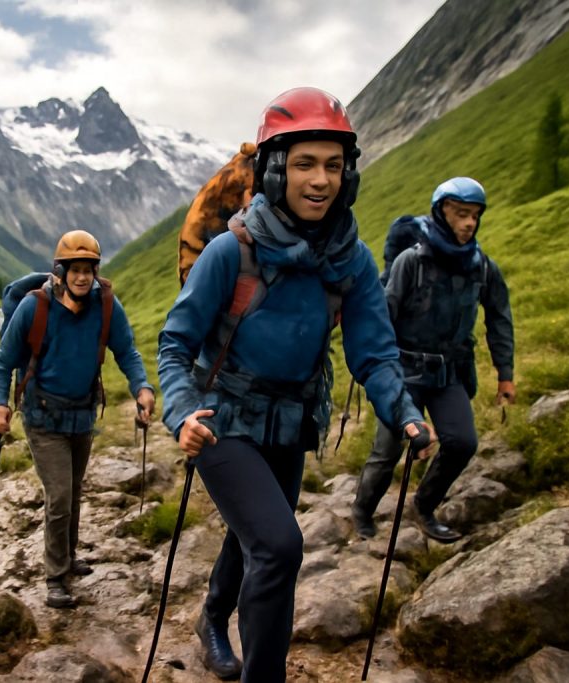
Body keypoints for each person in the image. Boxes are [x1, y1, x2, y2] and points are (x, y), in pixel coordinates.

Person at [157, 87, 434, 683]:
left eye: (334, 166)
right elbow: (175, 344)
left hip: (290, 422)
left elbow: (376, 351)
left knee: (256, 533)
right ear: (275, 170)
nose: (321, 180)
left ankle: (211, 618)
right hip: (221, 420)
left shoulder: (353, 261)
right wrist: (181, 413)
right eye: (305, 163)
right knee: (280, 545)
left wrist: (403, 409)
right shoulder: (231, 252)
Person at [0, 230, 155, 609]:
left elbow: (126, 351)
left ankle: (69, 555)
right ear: (60, 271)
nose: (82, 277)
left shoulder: (107, 305)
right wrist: (0, 404)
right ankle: (55, 576)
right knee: (60, 495)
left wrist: (141, 388)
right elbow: (3, 362)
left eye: (89, 269)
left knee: (74, 490)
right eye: (74, 269)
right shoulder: (34, 308)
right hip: (41, 416)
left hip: (81, 415)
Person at [351, 177, 516, 544]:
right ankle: (362, 510)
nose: (469, 223)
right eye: (461, 214)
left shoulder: (482, 268)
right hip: (405, 371)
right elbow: (386, 316)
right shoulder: (412, 261)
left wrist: (506, 375)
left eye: (474, 216)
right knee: (389, 449)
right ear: (442, 213)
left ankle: (424, 507)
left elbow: (499, 317)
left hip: (450, 373)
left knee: (463, 442)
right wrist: (380, 369)